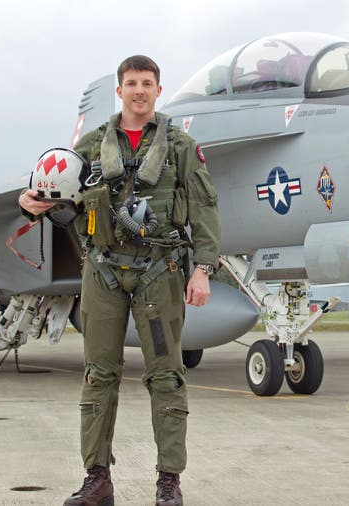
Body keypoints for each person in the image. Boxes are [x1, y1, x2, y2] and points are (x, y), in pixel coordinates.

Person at [20, 54, 220, 506]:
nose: (139, 91)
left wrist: (203, 270)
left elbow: (205, 210)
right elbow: (54, 192)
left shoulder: (181, 146)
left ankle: (169, 482)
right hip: (104, 274)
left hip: (159, 274)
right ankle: (97, 479)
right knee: (98, 376)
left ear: (157, 90)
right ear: (120, 90)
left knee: (167, 376)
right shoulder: (91, 145)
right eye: (132, 83)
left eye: (147, 83)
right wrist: (27, 201)